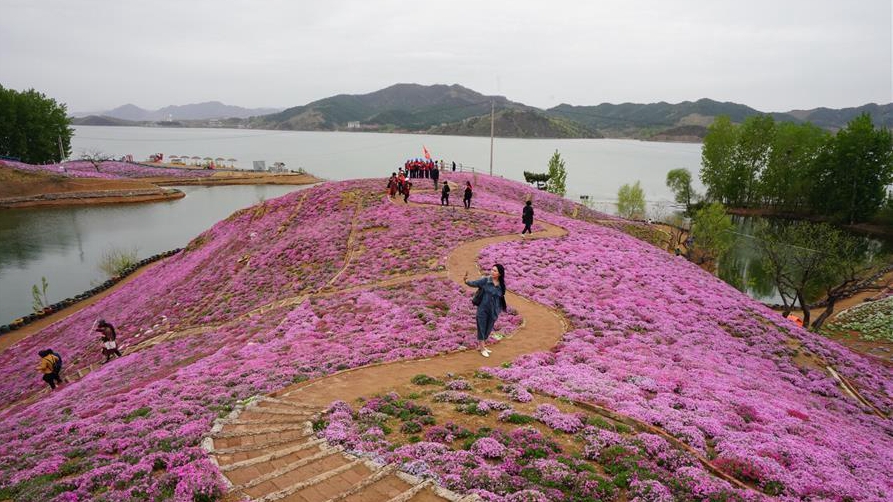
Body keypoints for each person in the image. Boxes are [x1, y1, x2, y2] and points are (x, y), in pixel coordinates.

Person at [464, 265, 507, 357]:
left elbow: (500, 298)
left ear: (500, 274)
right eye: (492, 270)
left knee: (488, 329)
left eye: (495, 271)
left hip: (494, 310)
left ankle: (482, 346)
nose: (492, 272)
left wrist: (498, 309)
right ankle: (482, 348)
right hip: (482, 309)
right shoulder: (485, 280)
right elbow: (474, 283)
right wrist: (466, 281)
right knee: (482, 327)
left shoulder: (501, 285)